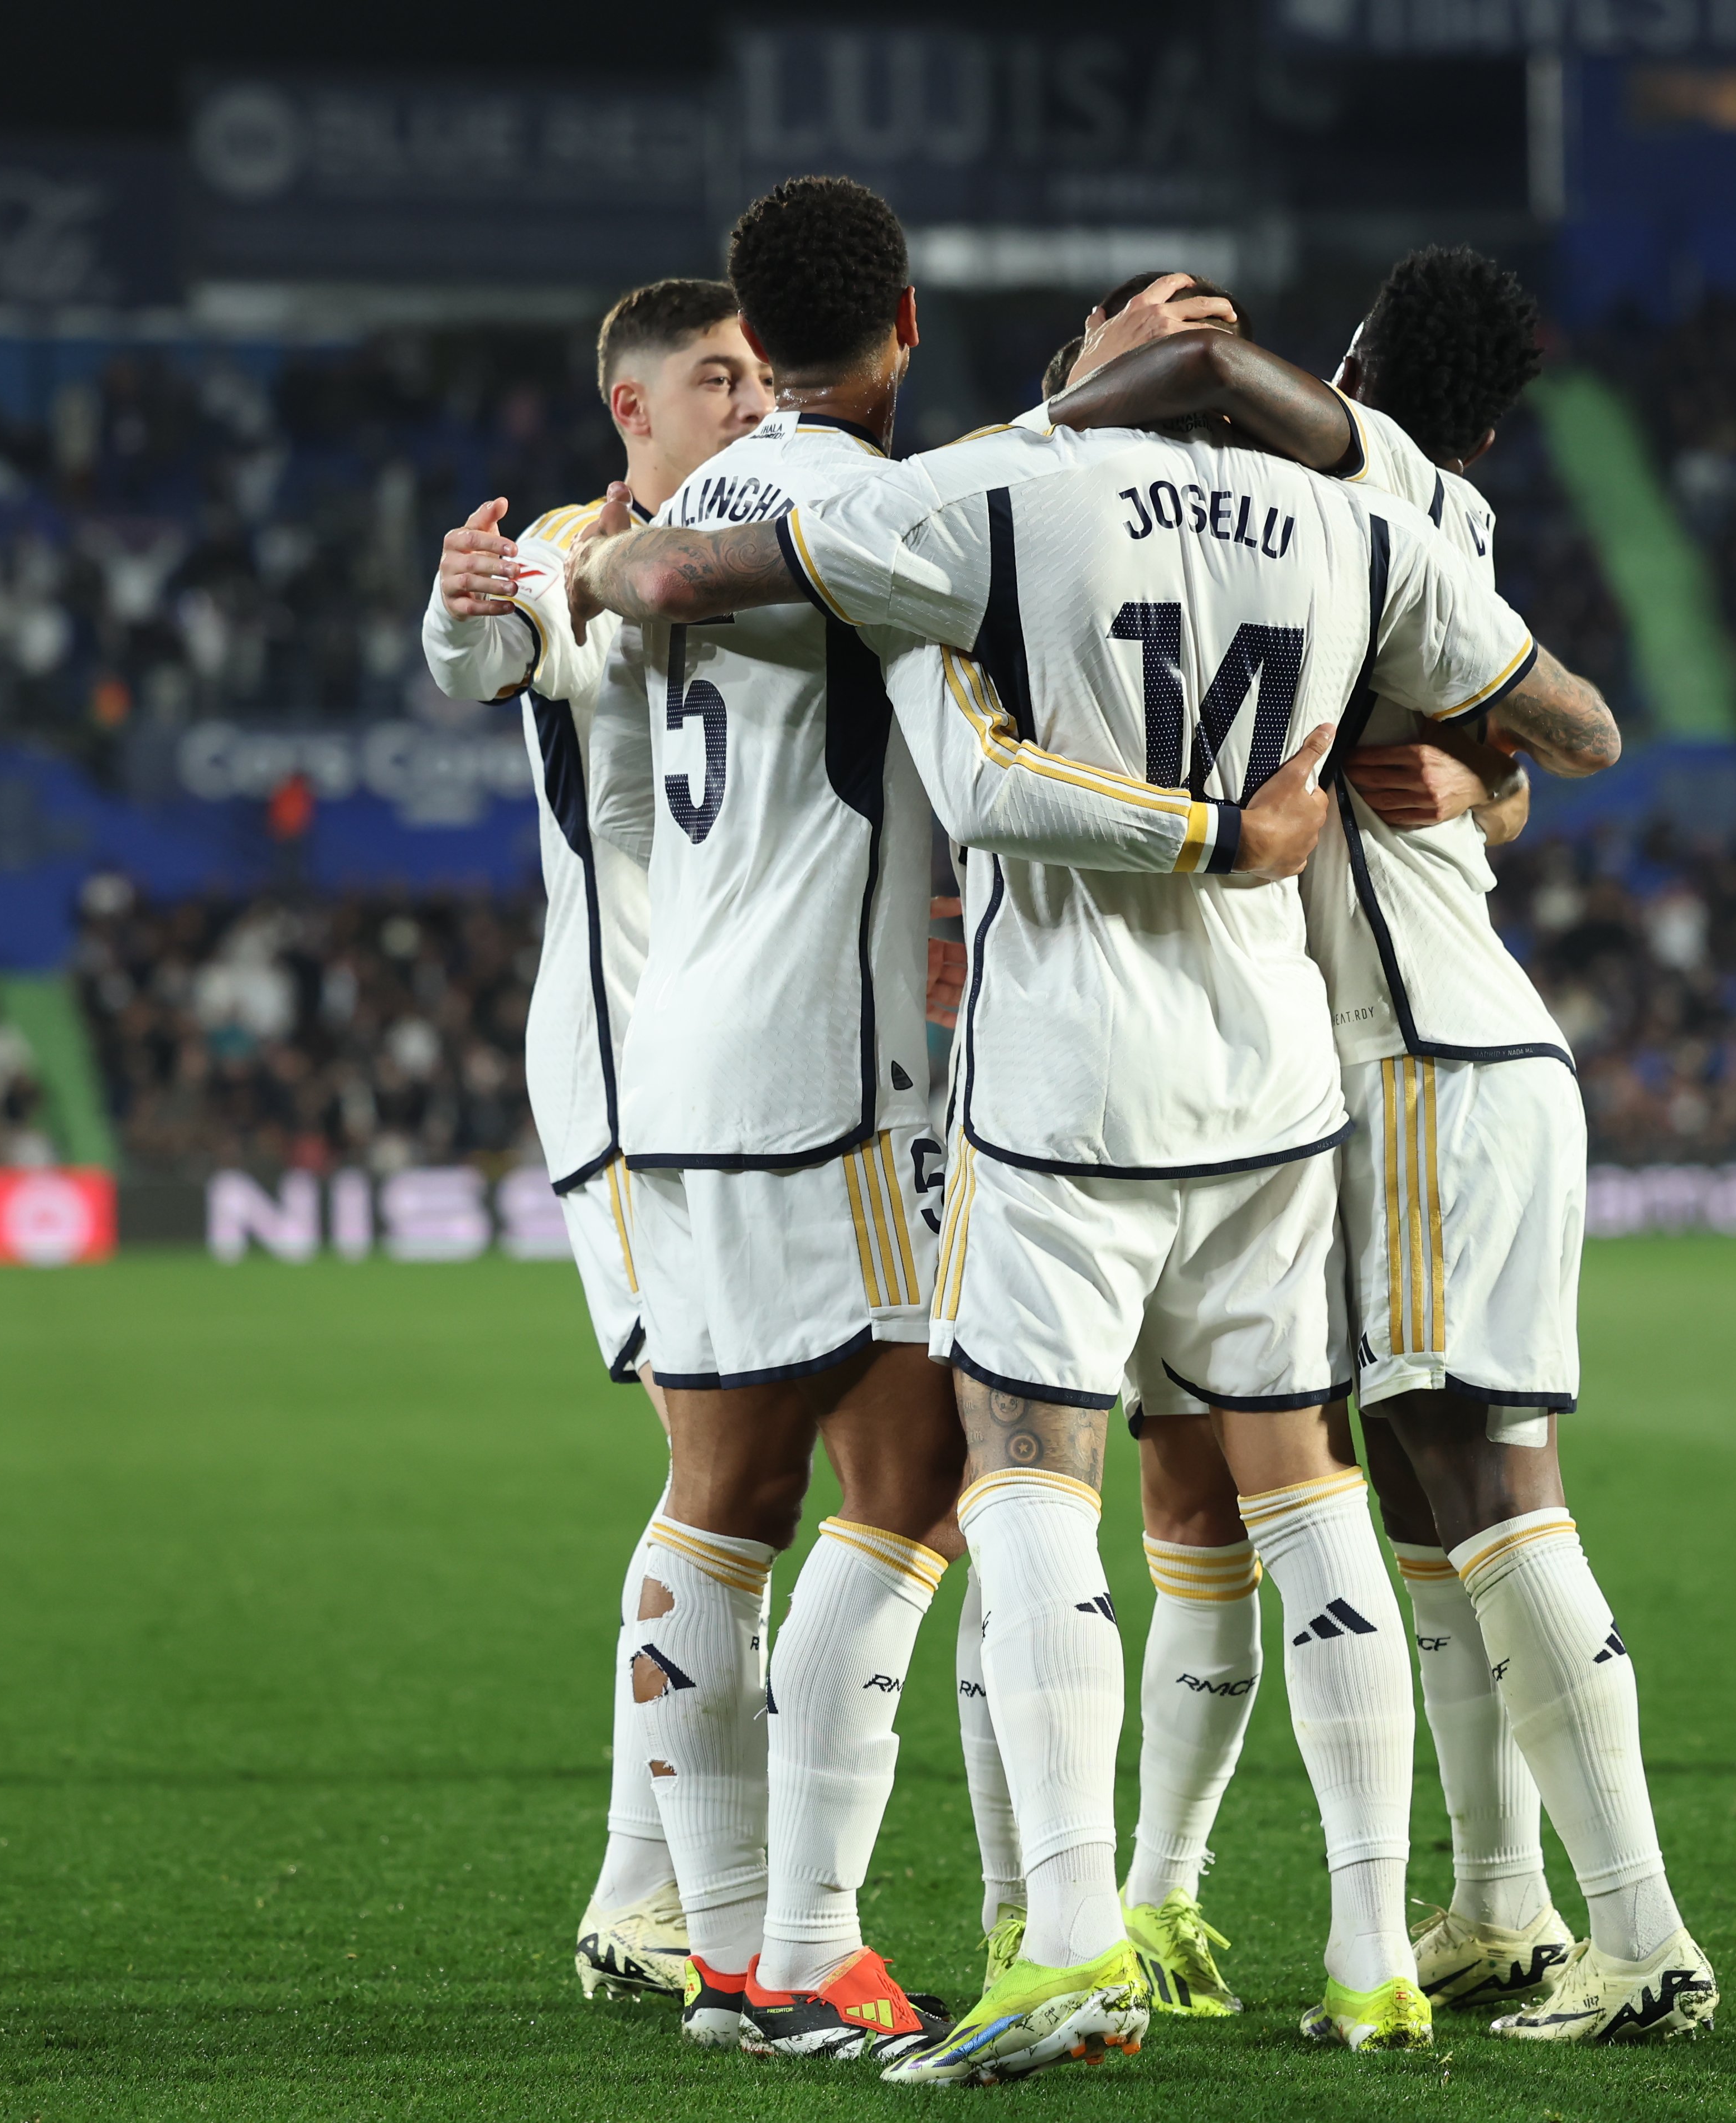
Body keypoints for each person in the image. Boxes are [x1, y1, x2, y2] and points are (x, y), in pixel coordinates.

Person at [569, 249, 1616, 2083]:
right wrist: (1485, 784)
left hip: (1053, 1081)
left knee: (1006, 1478)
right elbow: (1573, 723)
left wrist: (586, 561)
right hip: (1278, 1079)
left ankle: (1046, 1930)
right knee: (1303, 1496)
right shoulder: (1348, 511)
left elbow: (731, 618)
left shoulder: (995, 491)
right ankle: (1371, 1943)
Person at [1046, 247, 1719, 2044]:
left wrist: (1122, 378)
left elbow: (1243, 401)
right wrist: (1490, 772)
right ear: (1498, 418)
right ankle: (1496, 1904)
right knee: (1432, 1497)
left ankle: (1641, 1933)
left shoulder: (1382, 480)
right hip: (1433, 1052)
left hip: (1420, 1051)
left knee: (1491, 1494)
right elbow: (1508, 744)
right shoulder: (1419, 533)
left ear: (1352, 369)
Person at [414, 278, 771, 2011]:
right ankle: (698, 1914)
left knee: (743, 1481)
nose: (748, 399)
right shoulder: (578, 544)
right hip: (636, 1076)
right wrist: (457, 597)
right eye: (716, 378)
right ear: (631, 408)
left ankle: (650, 1900)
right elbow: (488, 647)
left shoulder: (783, 532)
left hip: (760, 1070)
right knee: (721, 1476)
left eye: (762, 372)